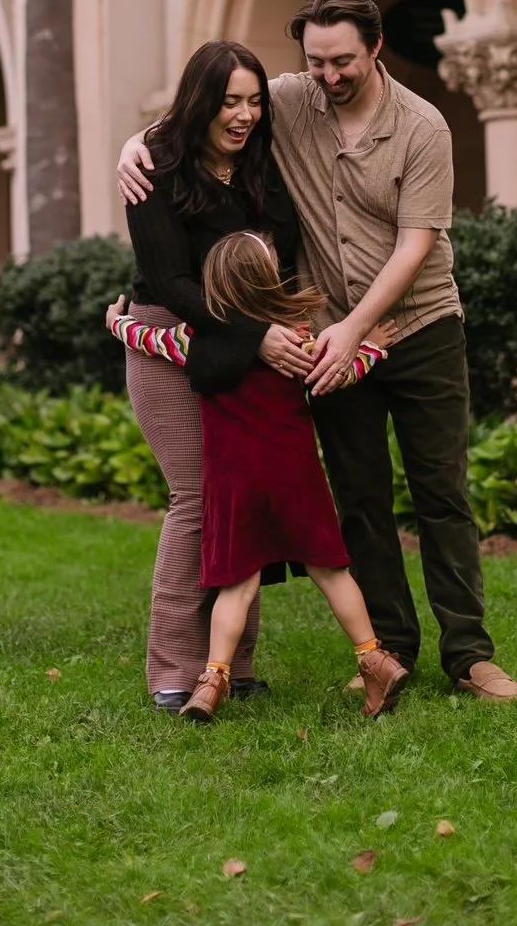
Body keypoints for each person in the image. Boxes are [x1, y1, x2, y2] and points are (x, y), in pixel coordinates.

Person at [119, 0, 517, 704]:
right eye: (316, 62)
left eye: (343, 61)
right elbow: (208, 100)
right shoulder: (291, 100)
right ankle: (389, 647)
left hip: (416, 324)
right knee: (360, 500)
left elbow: (416, 244)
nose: (329, 76)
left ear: (375, 48)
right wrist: (139, 140)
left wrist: (353, 329)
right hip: (326, 337)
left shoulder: (423, 128)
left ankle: (469, 656)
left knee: (441, 495)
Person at [107, 232, 406, 722]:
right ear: (270, 280)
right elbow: (338, 374)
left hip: (237, 484)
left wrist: (117, 323)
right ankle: (374, 657)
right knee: (331, 571)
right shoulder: (296, 337)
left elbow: (148, 339)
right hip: (297, 478)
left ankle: (213, 679)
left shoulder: (194, 341)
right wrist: (373, 349)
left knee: (237, 584)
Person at [116, 37, 314, 713]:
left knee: (241, 497)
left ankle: (234, 666)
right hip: (170, 342)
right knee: (199, 498)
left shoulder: (262, 171)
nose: (244, 115)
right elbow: (173, 283)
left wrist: (267, 335)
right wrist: (257, 336)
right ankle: (175, 671)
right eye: (229, 101)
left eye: (254, 102)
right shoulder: (156, 173)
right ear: (201, 103)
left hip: (246, 344)